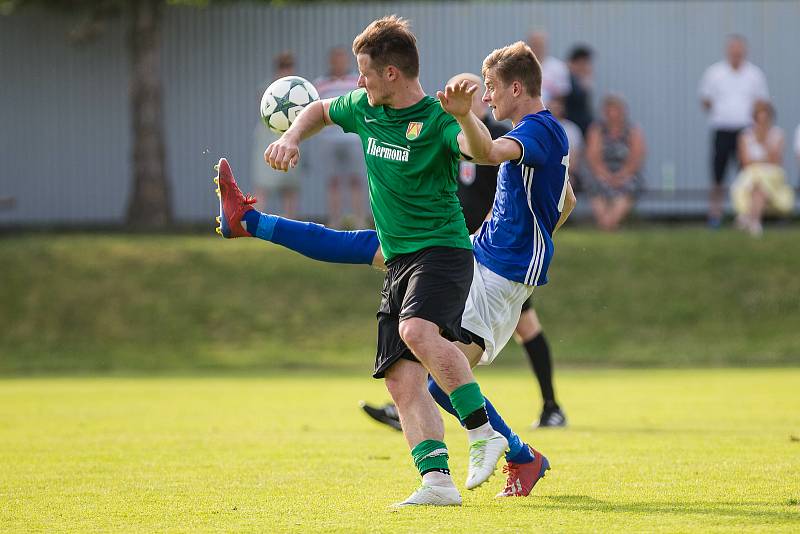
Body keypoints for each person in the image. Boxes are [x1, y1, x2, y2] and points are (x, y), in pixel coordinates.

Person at [214, 40, 576, 501]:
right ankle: (249, 222)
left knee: (438, 376)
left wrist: (464, 115)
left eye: (491, 89)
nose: (487, 98)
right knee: (369, 254)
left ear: (517, 86)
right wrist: (539, 235)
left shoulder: (530, 131)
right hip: (483, 252)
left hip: (494, 264)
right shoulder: (539, 133)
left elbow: (485, 153)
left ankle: (515, 451)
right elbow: (566, 200)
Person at [261, 16, 508, 507]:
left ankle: (484, 433)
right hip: (398, 261)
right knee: (400, 379)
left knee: (417, 332)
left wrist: (464, 115)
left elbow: (484, 154)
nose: (359, 82)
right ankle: (437, 482)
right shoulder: (365, 108)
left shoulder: (439, 118)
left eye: (365, 73)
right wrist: (291, 139)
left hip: (444, 251)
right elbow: (320, 110)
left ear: (391, 74)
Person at [362, 73, 568, 431]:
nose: (484, 98)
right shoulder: (456, 136)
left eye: (483, 90)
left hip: (493, 257)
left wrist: (517, 236)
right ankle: (414, 402)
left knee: (521, 328)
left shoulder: (502, 140)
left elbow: (512, 200)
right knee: (436, 336)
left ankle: (547, 410)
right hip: (471, 253)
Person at [699, 35, 769, 228]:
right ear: (727, 51)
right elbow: (705, 100)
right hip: (722, 129)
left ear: (745, 51)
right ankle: (715, 215)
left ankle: (746, 216)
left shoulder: (754, 75)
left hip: (745, 132)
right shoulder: (714, 73)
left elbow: (762, 102)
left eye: (739, 50)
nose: (736, 53)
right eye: (733, 50)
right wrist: (722, 109)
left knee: (746, 175)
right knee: (717, 175)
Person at [312, 47, 367, 228]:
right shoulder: (320, 84)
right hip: (328, 140)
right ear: (331, 61)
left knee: (356, 180)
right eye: (336, 59)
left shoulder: (356, 81)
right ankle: (334, 221)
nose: (339, 63)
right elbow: (313, 110)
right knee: (333, 181)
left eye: (342, 59)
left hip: (353, 139)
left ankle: (359, 220)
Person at [731, 101, 794, 236]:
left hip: (772, 174)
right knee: (757, 182)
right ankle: (755, 221)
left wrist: (763, 141)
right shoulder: (745, 135)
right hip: (751, 175)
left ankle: (749, 218)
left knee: (760, 182)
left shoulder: (777, 134)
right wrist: (764, 158)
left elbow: (776, 160)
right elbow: (745, 161)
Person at [585, 94, 646, 231]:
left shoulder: (632, 130)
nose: (613, 114)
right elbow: (592, 157)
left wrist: (622, 175)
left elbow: (636, 157)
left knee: (630, 186)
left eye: (616, 109)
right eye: (609, 110)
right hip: (601, 172)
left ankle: (608, 223)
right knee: (595, 184)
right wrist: (605, 175)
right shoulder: (597, 130)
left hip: (626, 173)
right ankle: (608, 224)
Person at [251, 52, 301, 218]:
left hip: (290, 140)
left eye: (289, 67)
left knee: (290, 188)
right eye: (283, 67)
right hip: (269, 140)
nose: (286, 70)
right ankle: (255, 222)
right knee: (263, 185)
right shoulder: (268, 89)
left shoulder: (299, 90)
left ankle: (289, 224)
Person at [549, 96, 583, 192]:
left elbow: (574, 159)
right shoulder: (540, 129)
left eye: (557, 107)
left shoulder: (572, 129)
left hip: (567, 173)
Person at [527, 31, 569, 105]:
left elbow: (562, 97)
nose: (537, 48)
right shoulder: (517, 68)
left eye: (540, 45)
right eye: (534, 45)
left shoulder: (558, 67)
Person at [564, 44, 594, 135]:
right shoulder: (567, 80)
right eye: (582, 63)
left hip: (582, 126)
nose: (585, 67)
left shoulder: (579, 80)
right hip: (572, 125)